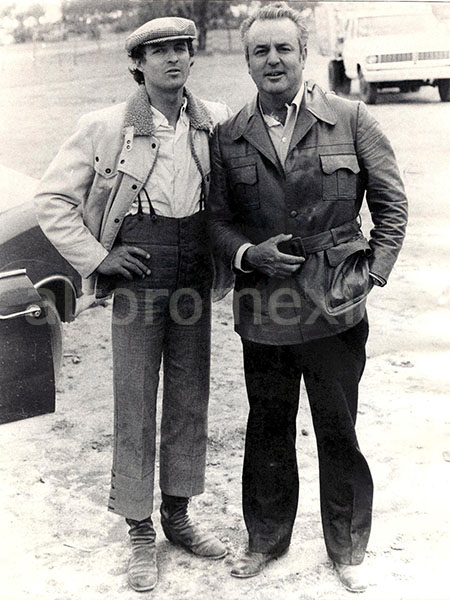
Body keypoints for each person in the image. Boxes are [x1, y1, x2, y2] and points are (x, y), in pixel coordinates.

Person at [207, 2, 407, 593]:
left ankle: (347, 546)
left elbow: (392, 204)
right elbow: (216, 220)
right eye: (260, 50)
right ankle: (266, 539)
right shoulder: (228, 135)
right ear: (247, 61)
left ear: (303, 54)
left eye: (283, 48)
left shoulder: (351, 117)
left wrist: (371, 274)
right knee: (268, 425)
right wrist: (250, 254)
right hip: (265, 309)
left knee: (337, 426)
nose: (273, 60)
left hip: (336, 304)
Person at [34, 16, 231, 593]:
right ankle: (139, 529)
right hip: (138, 270)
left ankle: (178, 514)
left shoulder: (213, 119)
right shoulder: (106, 125)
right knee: (136, 397)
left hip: (193, 269)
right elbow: (52, 199)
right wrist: (99, 258)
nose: (172, 58)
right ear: (137, 65)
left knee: (191, 395)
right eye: (158, 51)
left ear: (192, 57)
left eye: (181, 48)